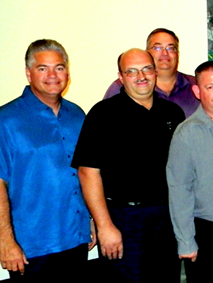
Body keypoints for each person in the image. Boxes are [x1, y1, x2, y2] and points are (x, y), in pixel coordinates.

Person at [73, 48, 185, 282]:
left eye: (146, 69)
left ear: (155, 72)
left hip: (167, 219)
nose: (141, 76)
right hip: (123, 219)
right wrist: (104, 226)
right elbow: (87, 172)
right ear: (120, 77)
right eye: (131, 71)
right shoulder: (103, 113)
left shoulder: (172, 113)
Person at [0, 39, 94, 282]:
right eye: (43, 68)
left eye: (59, 67)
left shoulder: (77, 115)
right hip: (32, 247)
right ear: (28, 73)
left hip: (76, 238)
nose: (53, 75)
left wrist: (91, 220)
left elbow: (85, 174)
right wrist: (5, 242)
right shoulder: (6, 120)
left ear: (68, 73)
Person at [167, 61, 213, 283]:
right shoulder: (186, 133)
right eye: (210, 87)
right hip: (207, 233)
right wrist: (186, 241)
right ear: (197, 91)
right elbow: (179, 190)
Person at [103, 28, 199, 117]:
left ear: (177, 53)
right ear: (147, 52)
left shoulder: (198, 85)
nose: (165, 53)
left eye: (171, 48)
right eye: (157, 48)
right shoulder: (121, 86)